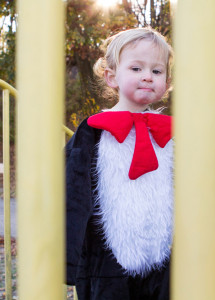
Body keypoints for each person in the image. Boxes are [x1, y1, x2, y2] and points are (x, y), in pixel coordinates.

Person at [65, 27, 174, 300]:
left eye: (157, 71)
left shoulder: (172, 131)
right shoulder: (93, 131)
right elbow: (72, 192)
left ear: (167, 82)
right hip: (106, 263)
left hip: (166, 257)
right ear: (111, 77)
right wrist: (65, 258)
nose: (148, 76)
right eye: (136, 68)